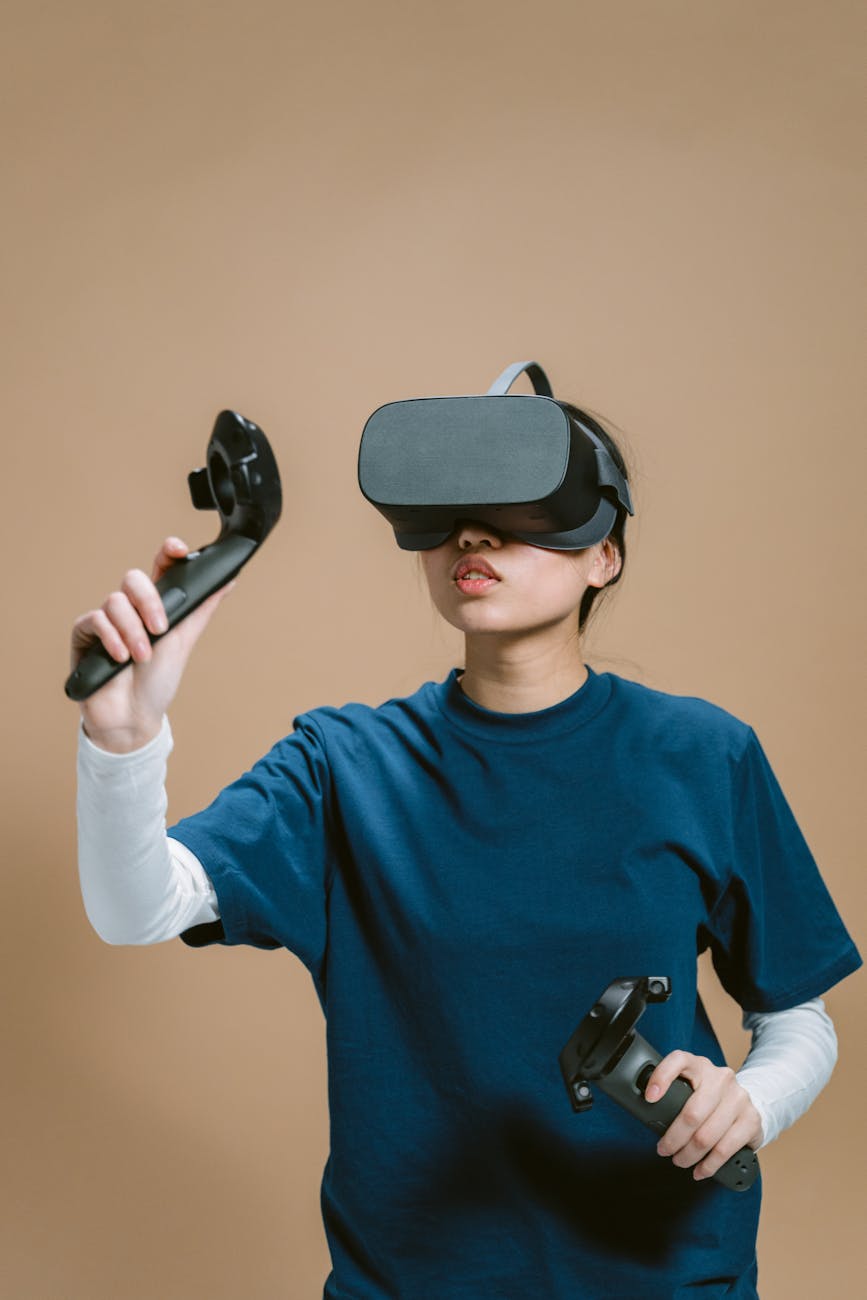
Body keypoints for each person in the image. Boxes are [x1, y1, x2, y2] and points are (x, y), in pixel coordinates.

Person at [72, 378, 861, 1299]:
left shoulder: (701, 755)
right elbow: (136, 909)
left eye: (518, 509)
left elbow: (796, 1015)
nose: (473, 537)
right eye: (449, 514)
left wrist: (751, 1102)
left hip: (664, 1273)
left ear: (602, 554)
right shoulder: (344, 767)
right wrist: (122, 740)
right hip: (412, 1281)